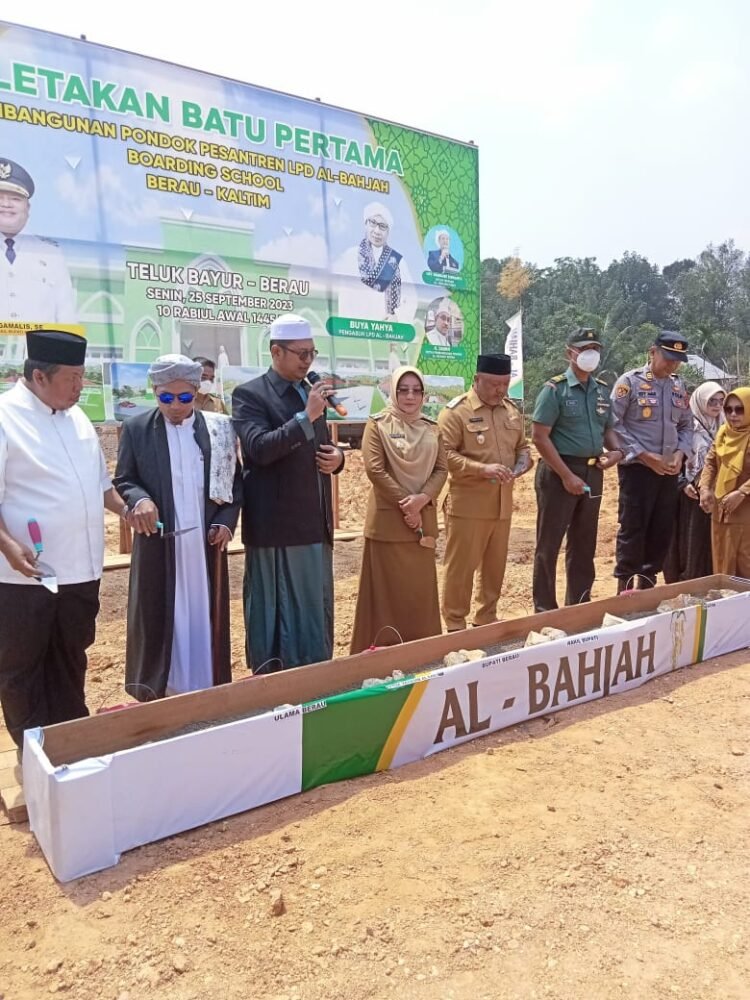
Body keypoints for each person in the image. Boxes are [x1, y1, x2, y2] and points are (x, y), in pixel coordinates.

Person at [0, 330, 127, 747]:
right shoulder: (5, 417)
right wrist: (7, 544)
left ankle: (73, 739)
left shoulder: (77, 420)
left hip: (80, 569)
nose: (80, 387)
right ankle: (32, 749)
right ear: (39, 377)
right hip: (24, 576)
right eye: (72, 377)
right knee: (23, 665)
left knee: (71, 657)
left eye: (82, 376)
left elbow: (101, 487)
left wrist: (129, 510)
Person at [114, 355, 241, 699]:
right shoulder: (138, 429)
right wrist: (139, 500)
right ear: (155, 392)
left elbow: (233, 482)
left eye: (184, 398)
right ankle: (161, 689)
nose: (175, 406)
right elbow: (124, 478)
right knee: (161, 613)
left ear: (196, 392)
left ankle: (205, 685)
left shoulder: (217, 428)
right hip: (160, 543)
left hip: (204, 545)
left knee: (203, 613)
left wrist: (225, 523)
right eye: (165, 397)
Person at [232, 314, 345, 671]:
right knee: (278, 614)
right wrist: (304, 417)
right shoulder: (250, 394)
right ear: (276, 351)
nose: (308, 362)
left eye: (312, 353)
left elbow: (320, 449)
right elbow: (259, 449)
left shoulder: (308, 392)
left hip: (315, 523)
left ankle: (315, 677)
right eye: (301, 354)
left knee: (314, 608)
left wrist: (338, 459)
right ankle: (276, 683)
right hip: (277, 528)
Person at [350, 366, 448, 653]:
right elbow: (376, 470)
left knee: (419, 596)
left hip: (421, 524)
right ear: (392, 391)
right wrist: (408, 504)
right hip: (389, 526)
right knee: (384, 597)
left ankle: (422, 655)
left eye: (416, 390)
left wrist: (422, 500)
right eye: (403, 389)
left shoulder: (432, 428)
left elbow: (442, 469)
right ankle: (379, 657)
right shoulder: (377, 424)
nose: (410, 396)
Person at [531, 328, 623, 611]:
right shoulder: (554, 390)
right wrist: (566, 475)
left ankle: (579, 605)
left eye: (594, 349)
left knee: (584, 543)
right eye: (584, 349)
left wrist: (617, 452)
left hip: (593, 472)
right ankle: (544, 609)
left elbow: (607, 430)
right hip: (559, 472)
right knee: (549, 544)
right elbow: (539, 436)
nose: (590, 355)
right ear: (569, 353)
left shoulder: (602, 391)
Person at [438, 353, 532, 631]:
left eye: (504, 384)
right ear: (477, 379)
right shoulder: (456, 412)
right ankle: (455, 624)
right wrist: (482, 469)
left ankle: (486, 619)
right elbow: (443, 455)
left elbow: (522, 447)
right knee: (461, 569)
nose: (499, 390)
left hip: (502, 505)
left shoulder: (511, 411)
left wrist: (522, 464)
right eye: (493, 384)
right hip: (468, 505)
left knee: (495, 568)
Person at [610, 331, 693, 591]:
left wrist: (680, 454)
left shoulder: (679, 386)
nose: (672, 365)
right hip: (638, 470)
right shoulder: (629, 383)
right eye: (668, 358)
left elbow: (686, 426)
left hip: (669, 470)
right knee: (633, 528)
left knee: (661, 530)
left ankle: (646, 587)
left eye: (677, 360)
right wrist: (645, 455)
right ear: (652, 352)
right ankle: (624, 589)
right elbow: (613, 424)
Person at [0, 158, 77, 329]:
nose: (6, 204)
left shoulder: (50, 254)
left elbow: (67, 318)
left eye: (15, 198)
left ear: (28, 208)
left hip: (39, 355)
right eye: (0, 197)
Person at [663, 381, 725, 582]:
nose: (717, 406)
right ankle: (689, 580)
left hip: (717, 493)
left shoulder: (725, 427)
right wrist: (682, 484)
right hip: (690, 494)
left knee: (710, 541)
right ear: (700, 401)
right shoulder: (687, 427)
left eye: (721, 401)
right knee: (691, 541)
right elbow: (673, 456)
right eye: (711, 401)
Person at [334, 203, 416, 323]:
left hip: (386, 332)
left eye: (382, 226)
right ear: (366, 224)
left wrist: (397, 317)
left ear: (388, 232)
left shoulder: (397, 261)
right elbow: (344, 299)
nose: (377, 231)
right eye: (373, 223)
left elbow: (412, 298)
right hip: (357, 330)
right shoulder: (351, 256)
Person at [699, 387, 750, 577]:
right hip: (720, 511)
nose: (733, 414)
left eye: (740, 409)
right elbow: (711, 462)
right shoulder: (724, 433)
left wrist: (742, 492)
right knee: (722, 563)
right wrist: (704, 489)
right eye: (728, 409)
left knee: (744, 566)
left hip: (745, 513)